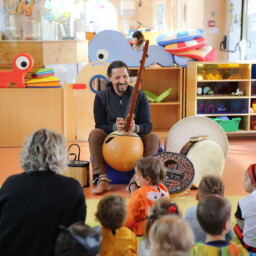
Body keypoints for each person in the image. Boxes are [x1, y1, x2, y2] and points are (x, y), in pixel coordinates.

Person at [0, 128, 87, 256]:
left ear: (27, 152)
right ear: (61, 154)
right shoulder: (72, 188)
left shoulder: (10, 184)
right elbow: (77, 239)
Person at [89, 60, 161, 194]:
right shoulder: (101, 97)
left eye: (125, 76)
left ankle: (136, 179)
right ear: (109, 78)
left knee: (154, 137)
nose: (122, 81)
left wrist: (136, 128)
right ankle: (103, 179)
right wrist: (115, 127)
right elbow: (100, 125)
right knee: (94, 134)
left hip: (135, 139)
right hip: (112, 140)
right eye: (117, 77)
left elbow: (148, 125)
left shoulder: (140, 95)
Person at [125, 156, 169, 236]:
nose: (135, 177)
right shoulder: (164, 190)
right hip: (161, 228)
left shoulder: (139, 193)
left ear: (147, 179)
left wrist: (125, 227)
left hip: (144, 230)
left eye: (137, 175)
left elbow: (130, 213)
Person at [184, 175, 233, 242]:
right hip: (218, 248)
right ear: (223, 198)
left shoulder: (189, 212)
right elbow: (229, 237)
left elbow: (184, 232)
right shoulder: (223, 212)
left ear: (197, 196)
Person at [234, 163, 256, 253]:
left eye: (246, 179)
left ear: (254, 184)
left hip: (251, 247)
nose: (244, 181)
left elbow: (241, 225)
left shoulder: (243, 202)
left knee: (235, 226)